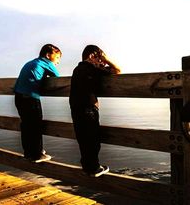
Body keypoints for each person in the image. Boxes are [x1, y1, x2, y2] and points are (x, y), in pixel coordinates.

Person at [69, 45, 121, 177]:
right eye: (100, 58)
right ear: (92, 57)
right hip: (88, 108)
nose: (102, 62)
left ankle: (87, 165)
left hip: (75, 107)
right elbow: (117, 70)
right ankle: (93, 167)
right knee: (93, 138)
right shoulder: (93, 68)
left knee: (83, 137)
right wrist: (107, 60)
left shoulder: (77, 69)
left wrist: (101, 63)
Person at [14, 44, 62, 163]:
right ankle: (37, 154)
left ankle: (28, 152)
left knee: (26, 125)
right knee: (36, 125)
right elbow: (57, 77)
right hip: (30, 97)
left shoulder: (32, 62)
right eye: (57, 58)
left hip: (19, 97)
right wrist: (49, 70)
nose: (57, 62)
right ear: (47, 55)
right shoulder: (46, 63)